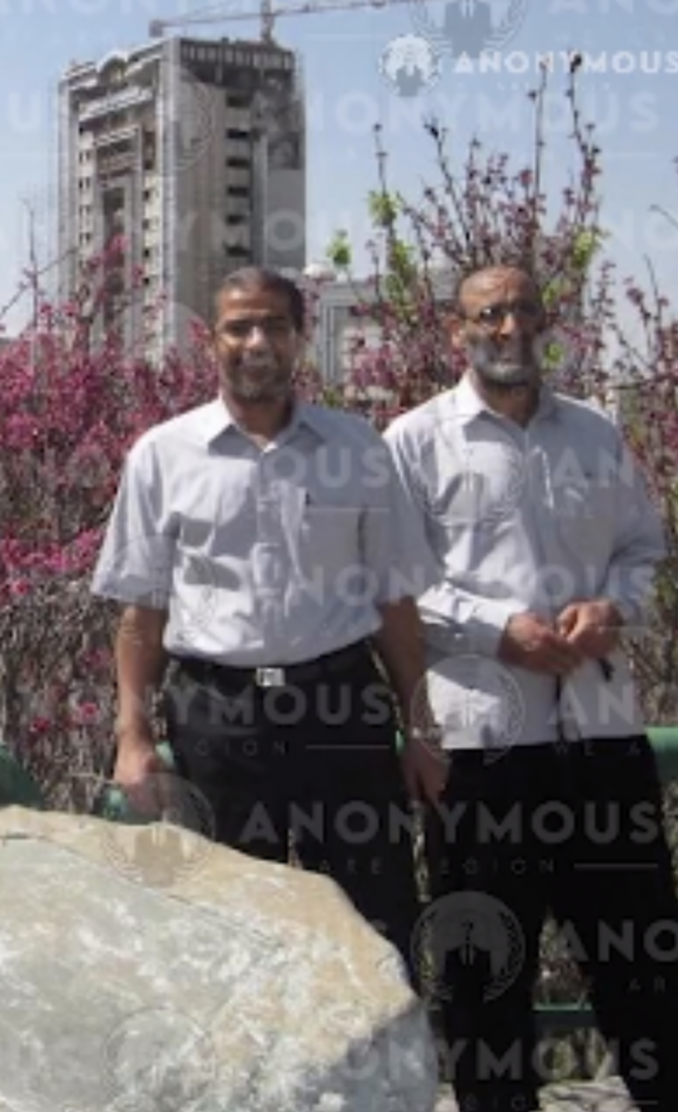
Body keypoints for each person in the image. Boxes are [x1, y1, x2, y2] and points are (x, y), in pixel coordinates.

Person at [383, 263, 678, 1112]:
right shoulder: (412, 442)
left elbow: (643, 552)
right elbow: (394, 585)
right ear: (457, 332)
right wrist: (494, 629)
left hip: (600, 739)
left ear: (547, 324)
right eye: (488, 314)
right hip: (480, 752)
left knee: (651, 966)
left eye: (523, 311)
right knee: (485, 983)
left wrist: (615, 607)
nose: (508, 328)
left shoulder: (596, 433)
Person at [92, 266, 445, 979]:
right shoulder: (163, 455)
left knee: (374, 922)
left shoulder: (358, 450)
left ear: (300, 338)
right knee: (225, 922)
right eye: (239, 327)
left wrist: (423, 727)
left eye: (275, 326)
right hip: (217, 718)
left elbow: (393, 602)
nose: (257, 342)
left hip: (342, 710)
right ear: (211, 340)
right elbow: (143, 613)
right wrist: (132, 736)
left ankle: (378, 1088)